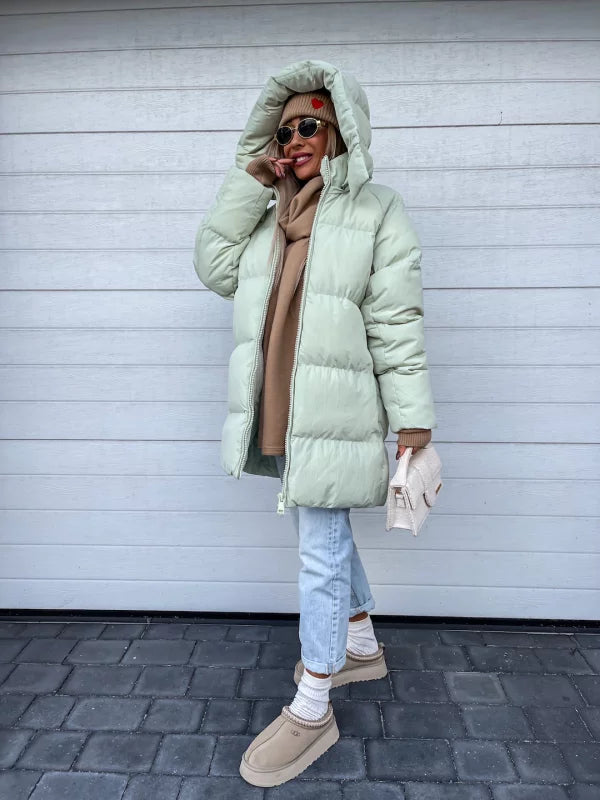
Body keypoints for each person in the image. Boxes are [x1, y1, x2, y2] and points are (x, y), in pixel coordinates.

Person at [193, 59, 436, 787]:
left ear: (340, 133)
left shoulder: (377, 210)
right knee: (320, 531)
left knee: (319, 550)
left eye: (310, 125)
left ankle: (314, 705)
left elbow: (395, 319)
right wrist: (251, 183)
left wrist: (413, 420)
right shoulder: (268, 218)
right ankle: (360, 643)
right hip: (281, 407)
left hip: (335, 409)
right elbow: (212, 266)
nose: (295, 139)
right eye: (283, 130)